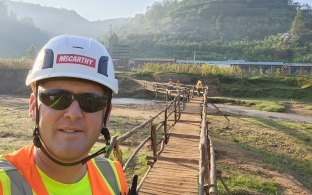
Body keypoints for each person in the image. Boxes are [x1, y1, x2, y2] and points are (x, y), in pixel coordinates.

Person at [0, 35, 129, 194]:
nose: (73, 114)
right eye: (56, 98)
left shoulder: (114, 177)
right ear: (33, 107)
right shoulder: (4, 182)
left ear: (107, 114)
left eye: (91, 100)